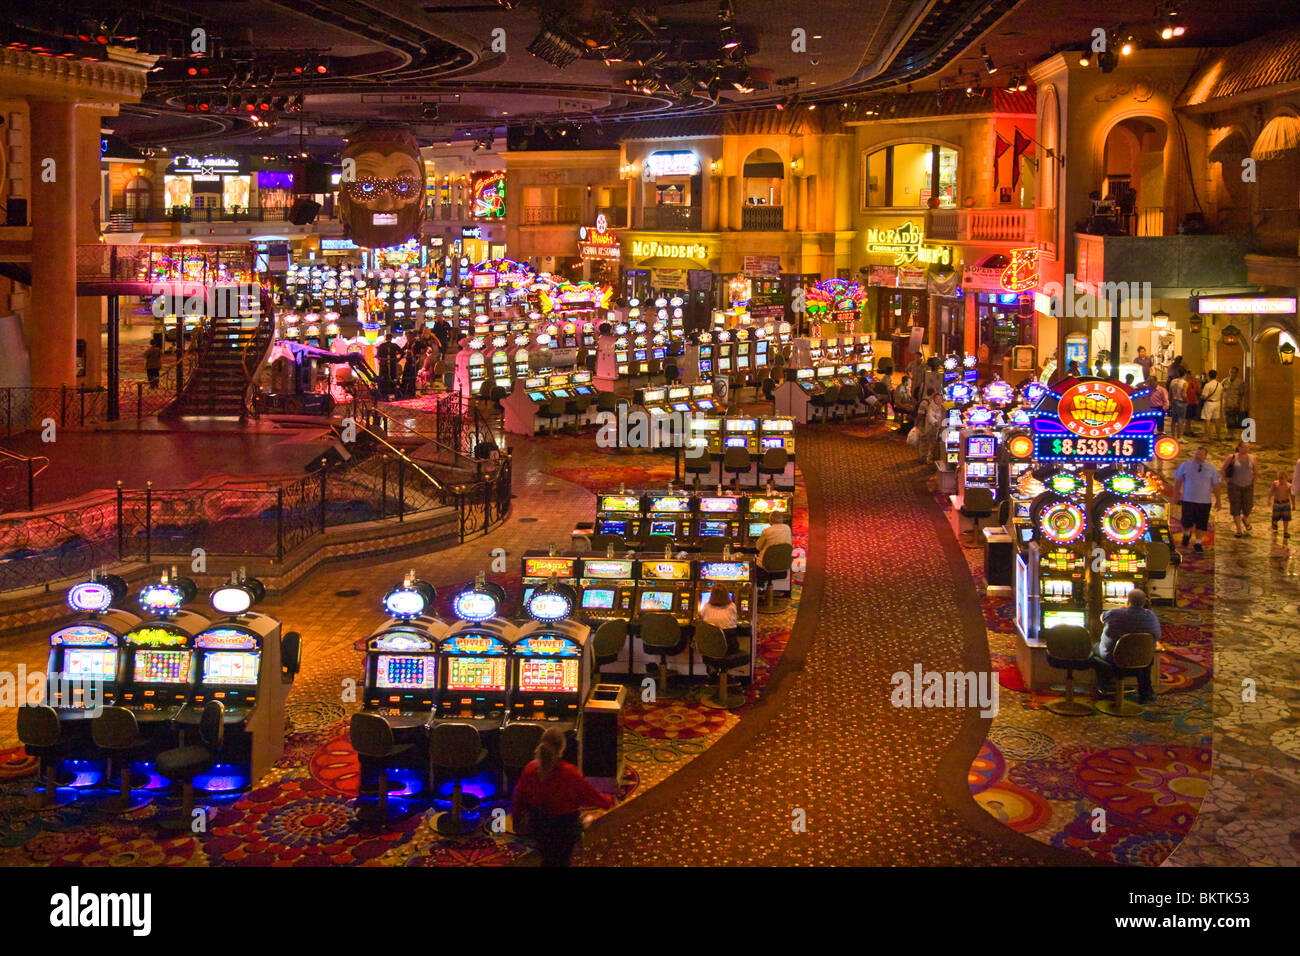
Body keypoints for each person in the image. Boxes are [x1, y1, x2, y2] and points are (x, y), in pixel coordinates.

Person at [511, 727, 614, 867]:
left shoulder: (530, 769)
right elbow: (589, 795)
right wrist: (609, 801)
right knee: (561, 859)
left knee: (549, 858)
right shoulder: (569, 773)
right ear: (562, 748)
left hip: (538, 826)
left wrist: (517, 820)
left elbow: (518, 797)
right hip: (564, 828)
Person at [1092, 588, 1160, 704]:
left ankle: (1105, 686)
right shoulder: (1151, 616)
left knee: (1094, 647)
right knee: (1145, 654)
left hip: (1113, 659)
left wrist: (1122, 609)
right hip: (1141, 660)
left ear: (1127, 601)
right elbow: (1157, 636)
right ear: (1144, 602)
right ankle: (1145, 693)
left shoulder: (1114, 614)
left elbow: (1101, 617)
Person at [1173, 445, 1223, 552]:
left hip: (1204, 501)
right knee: (1186, 522)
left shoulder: (1211, 469)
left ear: (1205, 456)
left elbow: (1216, 485)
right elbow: (1178, 481)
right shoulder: (1185, 465)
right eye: (1196, 453)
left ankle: (1198, 543)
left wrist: (1218, 500)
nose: (1197, 456)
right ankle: (1187, 533)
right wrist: (1175, 495)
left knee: (1201, 523)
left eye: (1200, 454)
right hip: (1188, 499)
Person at [1222, 440, 1258, 536]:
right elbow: (1223, 470)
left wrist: (1253, 482)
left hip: (1248, 486)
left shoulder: (1252, 458)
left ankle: (1245, 519)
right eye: (1244, 447)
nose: (1246, 449)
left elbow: (1256, 472)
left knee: (1248, 505)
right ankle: (1239, 529)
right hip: (1234, 486)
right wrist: (1227, 481)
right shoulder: (1232, 457)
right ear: (1239, 447)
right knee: (1235, 507)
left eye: (1248, 447)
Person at [696, 583, 741, 652]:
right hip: (729, 647)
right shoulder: (732, 606)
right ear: (727, 594)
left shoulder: (706, 607)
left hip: (709, 647)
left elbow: (701, 620)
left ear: (712, 595)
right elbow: (735, 621)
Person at [1199, 369, 1225, 441]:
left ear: (1208, 376)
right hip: (1217, 403)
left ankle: (1207, 436)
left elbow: (1204, 396)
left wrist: (1200, 397)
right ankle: (1218, 435)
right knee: (1216, 419)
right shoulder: (1219, 384)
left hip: (1209, 403)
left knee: (1207, 420)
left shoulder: (1208, 385)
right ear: (1216, 376)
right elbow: (1222, 394)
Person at [1269, 469, 1292, 539]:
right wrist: (1268, 499)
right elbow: (1271, 491)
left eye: (1282, 478)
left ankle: (1285, 531)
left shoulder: (1289, 486)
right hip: (1277, 503)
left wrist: (1293, 504)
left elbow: (1292, 495)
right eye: (1279, 478)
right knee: (1275, 516)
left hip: (1286, 504)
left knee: (1286, 519)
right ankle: (1274, 523)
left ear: (1286, 478)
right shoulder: (1275, 484)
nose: (1281, 480)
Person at [1167, 369, 1188, 440]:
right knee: (1181, 420)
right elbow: (1184, 394)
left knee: (1173, 419)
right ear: (1184, 374)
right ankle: (1180, 437)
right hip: (1181, 401)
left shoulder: (1173, 381)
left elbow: (1170, 392)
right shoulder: (1184, 383)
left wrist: (1170, 400)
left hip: (1173, 401)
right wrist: (1186, 401)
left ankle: (1173, 436)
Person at [1222, 366, 1245, 431]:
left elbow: (1241, 394)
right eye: (1231, 372)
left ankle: (1232, 434)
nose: (1232, 374)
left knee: (1233, 419)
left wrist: (1239, 404)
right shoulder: (1225, 380)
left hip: (1235, 403)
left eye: (1234, 372)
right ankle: (1228, 433)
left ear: (1237, 373)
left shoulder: (1240, 382)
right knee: (1226, 418)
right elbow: (1221, 390)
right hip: (1226, 403)